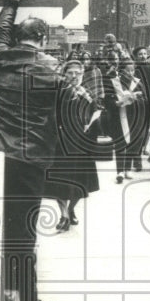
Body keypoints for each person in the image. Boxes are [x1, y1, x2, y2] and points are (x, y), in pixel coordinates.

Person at [0, 0, 65, 301]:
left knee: (5, 226)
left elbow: (1, 33)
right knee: (25, 231)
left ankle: (5, 289)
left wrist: (12, 1)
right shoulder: (51, 70)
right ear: (43, 39)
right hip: (32, 159)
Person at [46, 58, 102, 231]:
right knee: (60, 182)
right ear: (64, 74)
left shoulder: (87, 93)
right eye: (70, 72)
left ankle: (71, 210)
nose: (74, 76)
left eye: (77, 73)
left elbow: (97, 114)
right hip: (62, 143)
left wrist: (94, 120)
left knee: (80, 182)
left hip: (81, 144)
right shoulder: (59, 91)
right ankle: (63, 214)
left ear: (82, 74)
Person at [104, 54, 148, 182]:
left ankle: (127, 168)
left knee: (132, 143)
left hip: (134, 116)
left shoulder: (138, 83)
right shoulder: (114, 83)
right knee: (120, 143)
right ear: (121, 71)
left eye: (132, 70)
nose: (130, 72)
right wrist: (115, 103)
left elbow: (145, 100)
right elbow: (107, 100)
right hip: (118, 116)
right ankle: (120, 171)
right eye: (127, 70)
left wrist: (135, 98)